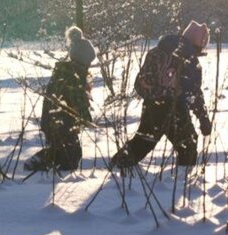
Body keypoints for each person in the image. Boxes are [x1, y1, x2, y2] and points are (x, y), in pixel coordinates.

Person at [110, 21, 213, 170]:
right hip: (175, 107)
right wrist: (203, 118)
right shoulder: (188, 58)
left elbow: (143, 82)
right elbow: (193, 92)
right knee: (188, 144)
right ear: (199, 43)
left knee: (143, 141)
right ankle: (181, 182)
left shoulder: (161, 50)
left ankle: (117, 166)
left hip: (153, 104)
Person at [24, 26, 95, 173]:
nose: (89, 65)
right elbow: (77, 100)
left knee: (67, 153)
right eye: (89, 61)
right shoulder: (71, 75)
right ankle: (38, 168)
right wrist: (86, 117)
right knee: (70, 155)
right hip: (58, 121)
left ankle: (44, 169)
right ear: (82, 59)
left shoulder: (69, 70)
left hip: (58, 120)